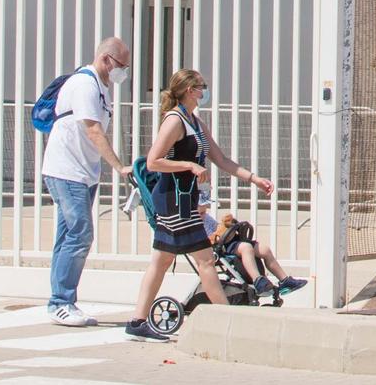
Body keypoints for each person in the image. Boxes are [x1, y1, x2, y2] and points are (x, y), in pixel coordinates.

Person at [126, 69, 275, 342]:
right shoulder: (174, 121)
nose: (204, 92)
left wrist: (254, 179)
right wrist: (189, 165)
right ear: (188, 90)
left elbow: (221, 159)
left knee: (161, 260)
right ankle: (225, 322)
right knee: (206, 260)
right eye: (201, 87)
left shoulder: (194, 122)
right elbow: (153, 161)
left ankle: (137, 322)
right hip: (175, 200)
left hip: (184, 199)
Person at [39, 36, 129, 326]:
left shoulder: (101, 87)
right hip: (67, 171)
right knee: (80, 234)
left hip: (83, 172)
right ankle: (61, 302)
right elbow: (93, 130)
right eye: (121, 65)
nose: (122, 72)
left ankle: (60, 300)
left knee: (67, 235)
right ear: (106, 59)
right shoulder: (84, 85)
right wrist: (118, 167)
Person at [201, 190, 306, 299]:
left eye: (204, 210)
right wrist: (217, 237)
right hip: (219, 247)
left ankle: (284, 280)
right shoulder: (194, 223)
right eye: (200, 212)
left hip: (229, 241)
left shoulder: (207, 218)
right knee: (246, 248)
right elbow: (208, 240)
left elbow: (218, 228)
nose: (203, 214)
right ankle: (257, 280)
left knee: (264, 249)